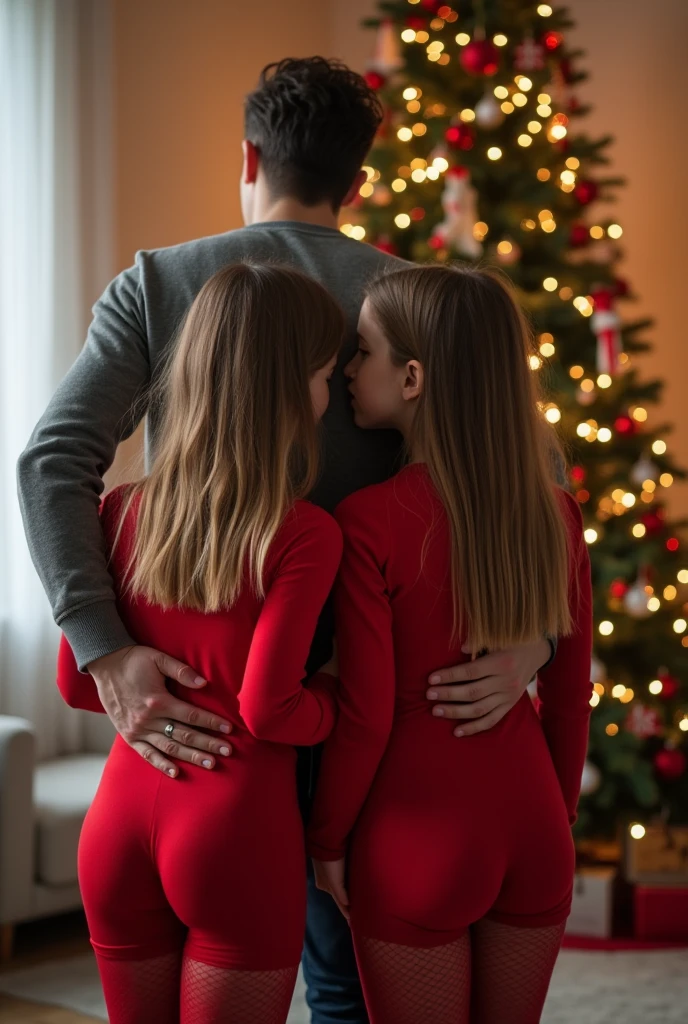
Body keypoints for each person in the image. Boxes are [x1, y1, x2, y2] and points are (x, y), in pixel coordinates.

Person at [18, 58, 557, 1023]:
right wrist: (537, 634)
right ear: (357, 181)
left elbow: (50, 461)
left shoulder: (159, 282)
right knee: (350, 980)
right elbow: (528, 474)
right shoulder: (413, 296)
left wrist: (104, 648)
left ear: (248, 156)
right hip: (371, 702)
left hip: (200, 707)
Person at [308, 264, 593, 1024]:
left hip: (415, 837)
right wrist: (555, 814)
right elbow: (570, 695)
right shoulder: (556, 513)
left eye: (361, 351)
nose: (345, 369)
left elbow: (365, 714)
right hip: (532, 825)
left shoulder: (367, 523)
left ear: (411, 377)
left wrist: (328, 838)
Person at [65, 262, 345, 1023]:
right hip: (234, 832)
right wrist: (334, 696)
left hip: (118, 823)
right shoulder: (304, 534)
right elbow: (269, 709)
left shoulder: (120, 509)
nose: (331, 395)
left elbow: (74, 680)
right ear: (290, 390)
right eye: (324, 375)